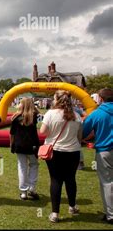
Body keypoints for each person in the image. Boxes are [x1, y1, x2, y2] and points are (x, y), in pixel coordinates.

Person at [40, 90, 83, 223]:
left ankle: (55, 213)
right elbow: (79, 136)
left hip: (55, 151)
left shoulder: (50, 114)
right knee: (71, 179)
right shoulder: (77, 115)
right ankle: (72, 206)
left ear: (56, 99)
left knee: (56, 180)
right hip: (73, 151)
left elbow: (43, 132)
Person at [82, 88, 113, 225]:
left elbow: (83, 131)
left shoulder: (97, 114)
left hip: (105, 151)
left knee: (107, 183)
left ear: (100, 98)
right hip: (105, 149)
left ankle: (110, 214)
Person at [10, 98, 40, 200]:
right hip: (32, 145)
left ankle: (23, 192)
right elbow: (37, 111)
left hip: (19, 145)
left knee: (22, 167)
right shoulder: (34, 116)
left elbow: (12, 133)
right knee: (34, 165)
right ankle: (32, 188)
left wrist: (11, 145)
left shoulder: (15, 117)